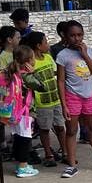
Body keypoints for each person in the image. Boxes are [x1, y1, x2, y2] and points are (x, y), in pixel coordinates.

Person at [57, 20, 92, 176]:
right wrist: (64, 104)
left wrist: (85, 55)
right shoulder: (63, 56)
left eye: (79, 35)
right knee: (72, 130)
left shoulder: (89, 51)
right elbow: (60, 80)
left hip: (88, 96)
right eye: (72, 35)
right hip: (72, 96)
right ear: (66, 37)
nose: (77, 39)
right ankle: (71, 164)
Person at [0, 45, 39, 178]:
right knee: (25, 139)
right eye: (33, 58)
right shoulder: (26, 76)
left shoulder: (10, 72)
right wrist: (33, 73)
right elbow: (40, 85)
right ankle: (23, 166)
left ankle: (21, 164)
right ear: (27, 61)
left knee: (18, 137)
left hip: (12, 112)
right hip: (24, 113)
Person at [24, 31, 64, 167]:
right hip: (42, 101)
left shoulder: (48, 57)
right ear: (38, 45)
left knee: (60, 126)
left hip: (55, 98)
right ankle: (48, 154)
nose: (48, 44)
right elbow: (29, 79)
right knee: (44, 128)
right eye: (45, 42)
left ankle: (65, 152)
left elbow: (54, 72)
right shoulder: (30, 62)